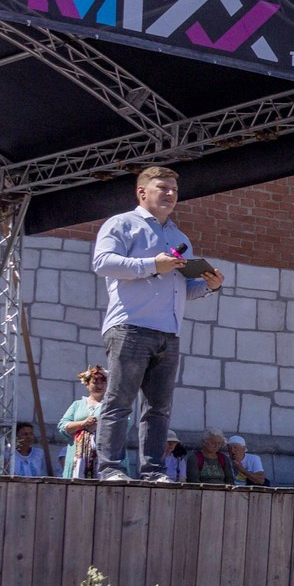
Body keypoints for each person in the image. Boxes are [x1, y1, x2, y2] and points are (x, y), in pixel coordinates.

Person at [89, 165, 224, 481]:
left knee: (158, 409)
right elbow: (102, 262)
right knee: (119, 402)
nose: (170, 194)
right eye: (162, 187)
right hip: (130, 326)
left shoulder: (180, 237)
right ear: (142, 192)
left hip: (169, 332)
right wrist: (153, 264)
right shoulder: (122, 224)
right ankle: (111, 468)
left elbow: (185, 288)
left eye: (174, 190)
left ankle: (152, 470)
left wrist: (210, 285)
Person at [59, 367, 107, 480]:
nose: (99, 386)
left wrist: (99, 425)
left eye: (103, 382)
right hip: (78, 454)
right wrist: (83, 423)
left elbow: (124, 425)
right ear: (87, 384)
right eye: (95, 382)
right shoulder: (78, 404)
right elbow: (63, 426)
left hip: (103, 454)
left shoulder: (111, 405)